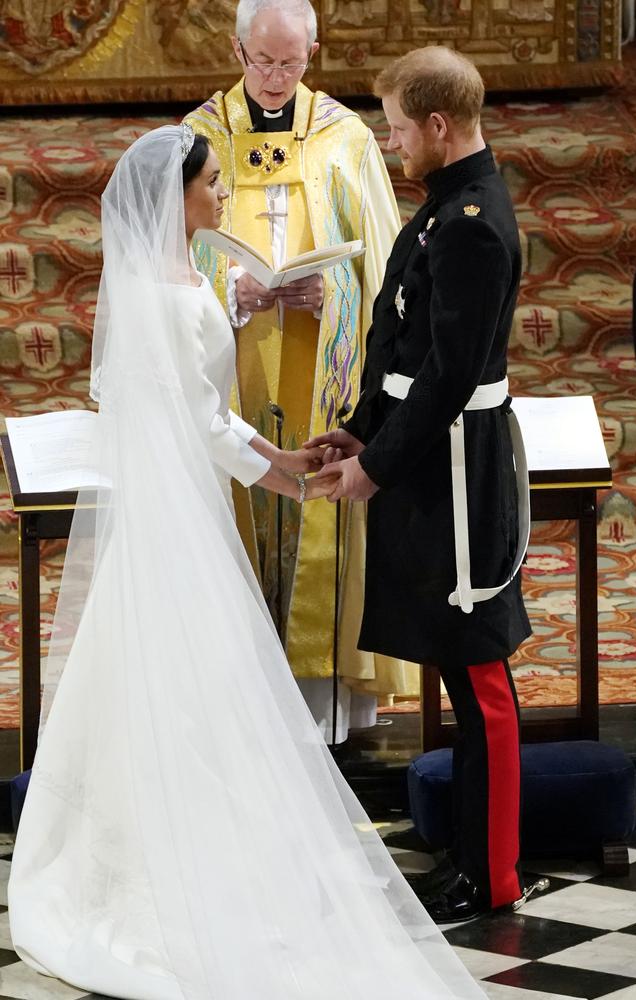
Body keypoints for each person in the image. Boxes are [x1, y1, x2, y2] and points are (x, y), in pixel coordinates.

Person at [7, 124, 487, 1000]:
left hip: (181, 501)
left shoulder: (180, 284)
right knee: (193, 674)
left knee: (157, 675)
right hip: (187, 506)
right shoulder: (172, 295)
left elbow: (145, 393)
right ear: (176, 195)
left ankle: (133, 848)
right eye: (213, 182)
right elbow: (203, 420)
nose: (223, 193)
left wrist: (273, 452)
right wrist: (287, 478)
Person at [308, 46, 543, 923]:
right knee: (455, 662)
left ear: (438, 127)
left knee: (480, 673)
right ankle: (474, 859)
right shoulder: (447, 206)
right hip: (424, 457)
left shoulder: (475, 221)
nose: (391, 139)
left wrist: (374, 466)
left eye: (399, 127)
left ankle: (498, 873)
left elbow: (448, 376)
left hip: (456, 470)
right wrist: (362, 430)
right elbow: (401, 344)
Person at [184, 0, 418, 741]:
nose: (277, 77)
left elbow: (380, 262)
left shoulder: (345, 138)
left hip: (325, 363)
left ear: (312, 52)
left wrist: (336, 291)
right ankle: (235, 707)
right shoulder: (197, 138)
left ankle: (324, 713)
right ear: (237, 49)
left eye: (291, 61)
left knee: (322, 513)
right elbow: (166, 254)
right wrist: (231, 290)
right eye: (263, 60)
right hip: (236, 363)